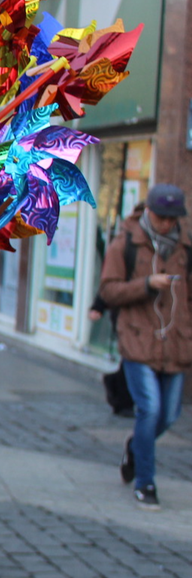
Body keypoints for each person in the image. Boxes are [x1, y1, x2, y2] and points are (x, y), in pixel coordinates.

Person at [99, 183, 192, 510]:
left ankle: (135, 447)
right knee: (149, 410)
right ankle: (146, 483)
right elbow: (109, 292)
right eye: (161, 216)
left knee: (168, 415)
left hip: (176, 343)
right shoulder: (125, 243)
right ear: (148, 211)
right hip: (138, 341)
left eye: (172, 218)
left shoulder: (186, 248)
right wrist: (146, 285)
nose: (167, 223)